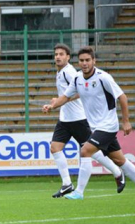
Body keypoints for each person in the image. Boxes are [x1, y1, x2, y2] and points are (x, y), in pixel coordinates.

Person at [43, 46, 135, 200]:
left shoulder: (103, 77)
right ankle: (118, 173)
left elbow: (122, 97)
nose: (84, 63)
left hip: (108, 125)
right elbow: (65, 96)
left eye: (87, 60)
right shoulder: (78, 78)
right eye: (81, 60)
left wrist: (126, 122)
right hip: (95, 126)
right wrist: (52, 106)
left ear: (94, 61)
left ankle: (78, 191)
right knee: (120, 160)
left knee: (85, 151)